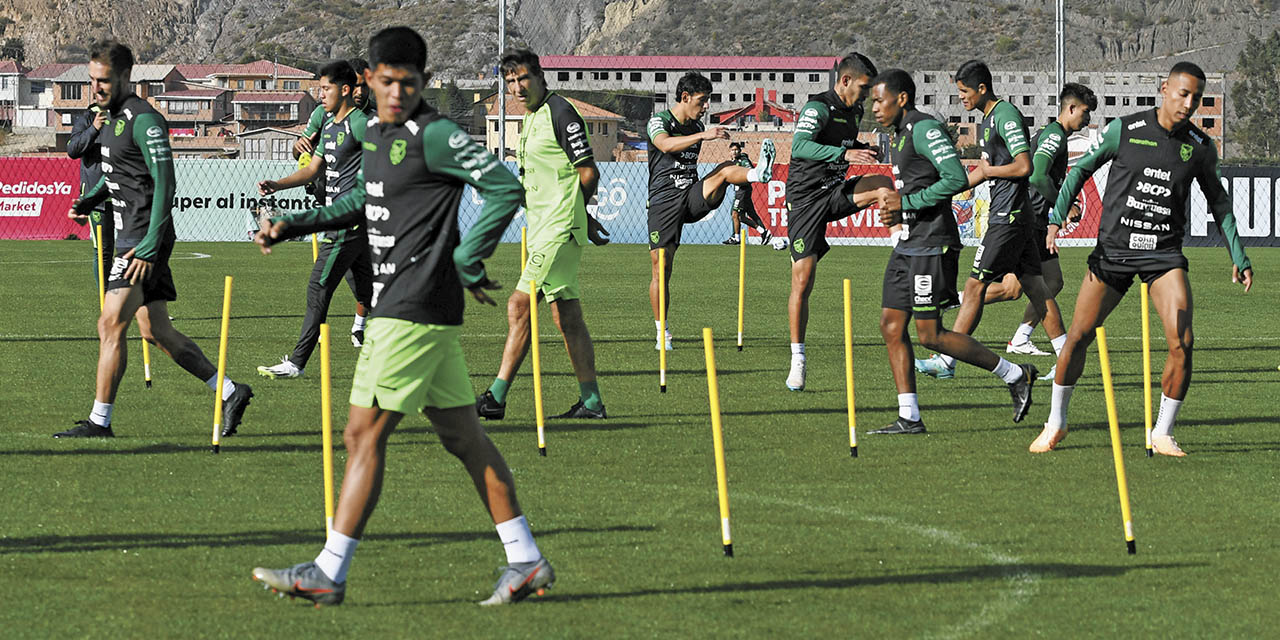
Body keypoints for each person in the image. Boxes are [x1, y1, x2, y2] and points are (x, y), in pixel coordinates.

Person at [249, 26, 554, 606]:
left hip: (410, 310)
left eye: (407, 83)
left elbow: (503, 188)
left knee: (362, 434)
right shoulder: (376, 135)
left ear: (422, 81)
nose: (396, 92)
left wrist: (468, 256)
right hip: (415, 313)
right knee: (466, 440)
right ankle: (527, 561)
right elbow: (362, 202)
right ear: (369, 80)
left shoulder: (433, 133)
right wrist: (294, 225)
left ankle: (329, 572)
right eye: (386, 81)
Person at [1029, 62, 1253, 456]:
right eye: (1183, 94)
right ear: (1164, 89)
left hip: (1163, 256)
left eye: (1197, 98)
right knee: (1077, 338)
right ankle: (1056, 423)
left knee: (1183, 341)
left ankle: (1162, 432)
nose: (1189, 103)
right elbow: (1081, 171)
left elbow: (1219, 202)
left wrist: (1238, 253)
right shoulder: (1125, 129)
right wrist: (1054, 219)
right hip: (1114, 253)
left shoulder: (1199, 147)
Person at [55, 40, 253, 439]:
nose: (96, 88)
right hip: (136, 235)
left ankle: (99, 421)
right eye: (92, 80)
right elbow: (120, 178)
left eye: (104, 81)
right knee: (155, 332)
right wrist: (88, 200)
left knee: (110, 324)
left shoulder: (144, 119)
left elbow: (166, 184)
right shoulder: (107, 119)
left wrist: (147, 245)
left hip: (142, 239)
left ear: (127, 78)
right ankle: (230, 391)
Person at [870, 70, 1038, 434]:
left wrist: (908, 203)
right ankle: (909, 417)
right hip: (908, 243)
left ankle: (1016, 374)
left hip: (932, 243)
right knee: (891, 324)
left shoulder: (924, 129)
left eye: (879, 101)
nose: (874, 109)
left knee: (930, 334)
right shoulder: (897, 136)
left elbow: (956, 178)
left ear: (901, 99)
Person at [475, 49, 610, 420]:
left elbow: (588, 173)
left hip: (557, 229)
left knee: (519, 305)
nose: (517, 88)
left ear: (539, 76)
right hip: (546, 229)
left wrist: (574, 214)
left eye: (523, 79)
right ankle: (592, 402)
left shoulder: (560, 112)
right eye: (510, 82)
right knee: (567, 316)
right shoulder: (532, 116)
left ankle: (495, 399)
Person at [914, 60, 1062, 382]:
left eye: (964, 92)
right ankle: (1067, 356)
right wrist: (946, 191)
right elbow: (982, 172)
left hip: (1007, 216)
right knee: (1037, 288)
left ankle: (946, 360)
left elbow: (1025, 167)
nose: (961, 98)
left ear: (982, 88)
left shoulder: (1005, 115)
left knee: (974, 286)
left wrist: (989, 172)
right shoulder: (987, 120)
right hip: (1014, 216)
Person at [254, 60, 374, 379]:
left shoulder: (360, 124)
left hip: (346, 224)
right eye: (319, 88)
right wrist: (277, 184)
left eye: (326, 88)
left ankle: (296, 363)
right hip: (345, 223)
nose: (320, 94)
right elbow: (312, 169)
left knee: (318, 288)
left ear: (345, 90)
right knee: (369, 294)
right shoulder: (331, 125)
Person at [783, 52, 896, 391]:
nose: (866, 95)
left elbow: (841, 143)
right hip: (805, 200)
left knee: (884, 186)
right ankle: (798, 359)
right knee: (803, 281)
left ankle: (903, 248)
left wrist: (861, 148)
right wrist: (847, 154)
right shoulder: (818, 108)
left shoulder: (855, 110)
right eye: (863, 87)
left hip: (834, 192)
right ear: (845, 81)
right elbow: (801, 146)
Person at [647, 72, 776, 351]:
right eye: (702, 100)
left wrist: (700, 131)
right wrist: (702, 134)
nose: (706, 107)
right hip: (663, 202)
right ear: (685, 98)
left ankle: (758, 173)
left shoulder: (696, 124)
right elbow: (665, 144)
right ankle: (662, 333)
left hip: (691, 196)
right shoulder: (660, 121)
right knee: (662, 268)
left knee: (724, 172)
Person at [1001, 83, 1096, 363]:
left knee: (1047, 282)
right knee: (1015, 288)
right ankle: (954, 300)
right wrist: (1064, 206)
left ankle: (1020, 339)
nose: (1088, 119)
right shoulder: (1054, 136)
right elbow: (1037, 176)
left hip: (1037, 220)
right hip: (1030, 220)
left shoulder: (1054, 135)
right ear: (1070, 108)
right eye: (1086, 112)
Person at [290, 57, 374, 347]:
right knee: (358, 275)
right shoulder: (323, 116)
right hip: (331, 199)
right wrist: (298, 147)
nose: (362, 91)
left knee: (333, 278)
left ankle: (360, 326)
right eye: (358, 85)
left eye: (365, 85)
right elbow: (303, 152)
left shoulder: (368, 120)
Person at [67, 103, 113, 293]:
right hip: (98, 199)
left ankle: (146, 306)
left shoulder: (126, 116)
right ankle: (109, 303)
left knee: (138, 250)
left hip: (127, 194)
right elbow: (72, 150)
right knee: (103, 251)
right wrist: (94, 128)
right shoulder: (85, 119)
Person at [721, 141, 772, 246]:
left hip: (742, 190)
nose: (734, 152)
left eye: (736, 150)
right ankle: (764, 232)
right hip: (740, 191)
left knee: (735, 215)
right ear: (729, 152)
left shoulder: (743, 160)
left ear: (740, 151)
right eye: (732, 150)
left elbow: (750, 171)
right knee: (747, 215)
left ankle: (736, 237)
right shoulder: (733, 161)